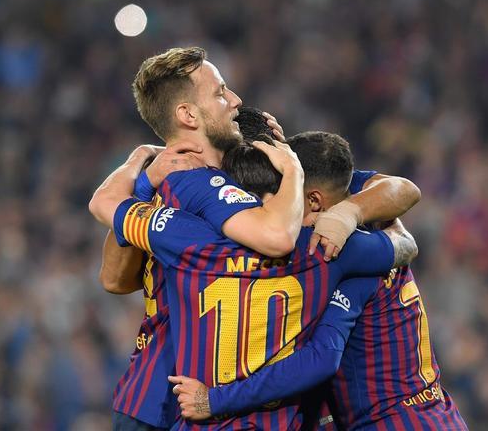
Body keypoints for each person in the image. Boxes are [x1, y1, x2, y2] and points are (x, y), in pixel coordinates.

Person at [103, 103, 421, 428]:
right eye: (220, 93)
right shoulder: (319, 247)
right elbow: (403, 241)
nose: (232, 98)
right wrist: (348, 213)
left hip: (172, 397)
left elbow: (109, 247)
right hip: (199, 400)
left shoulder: (187, 224)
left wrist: (140, 177)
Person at [168, 133, 468, 430]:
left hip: (389, 422)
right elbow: (403, 221)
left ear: (313, 200)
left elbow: (321, 358)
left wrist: (214, 400)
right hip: (437, 413)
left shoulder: (329, 249)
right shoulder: (372, 221)